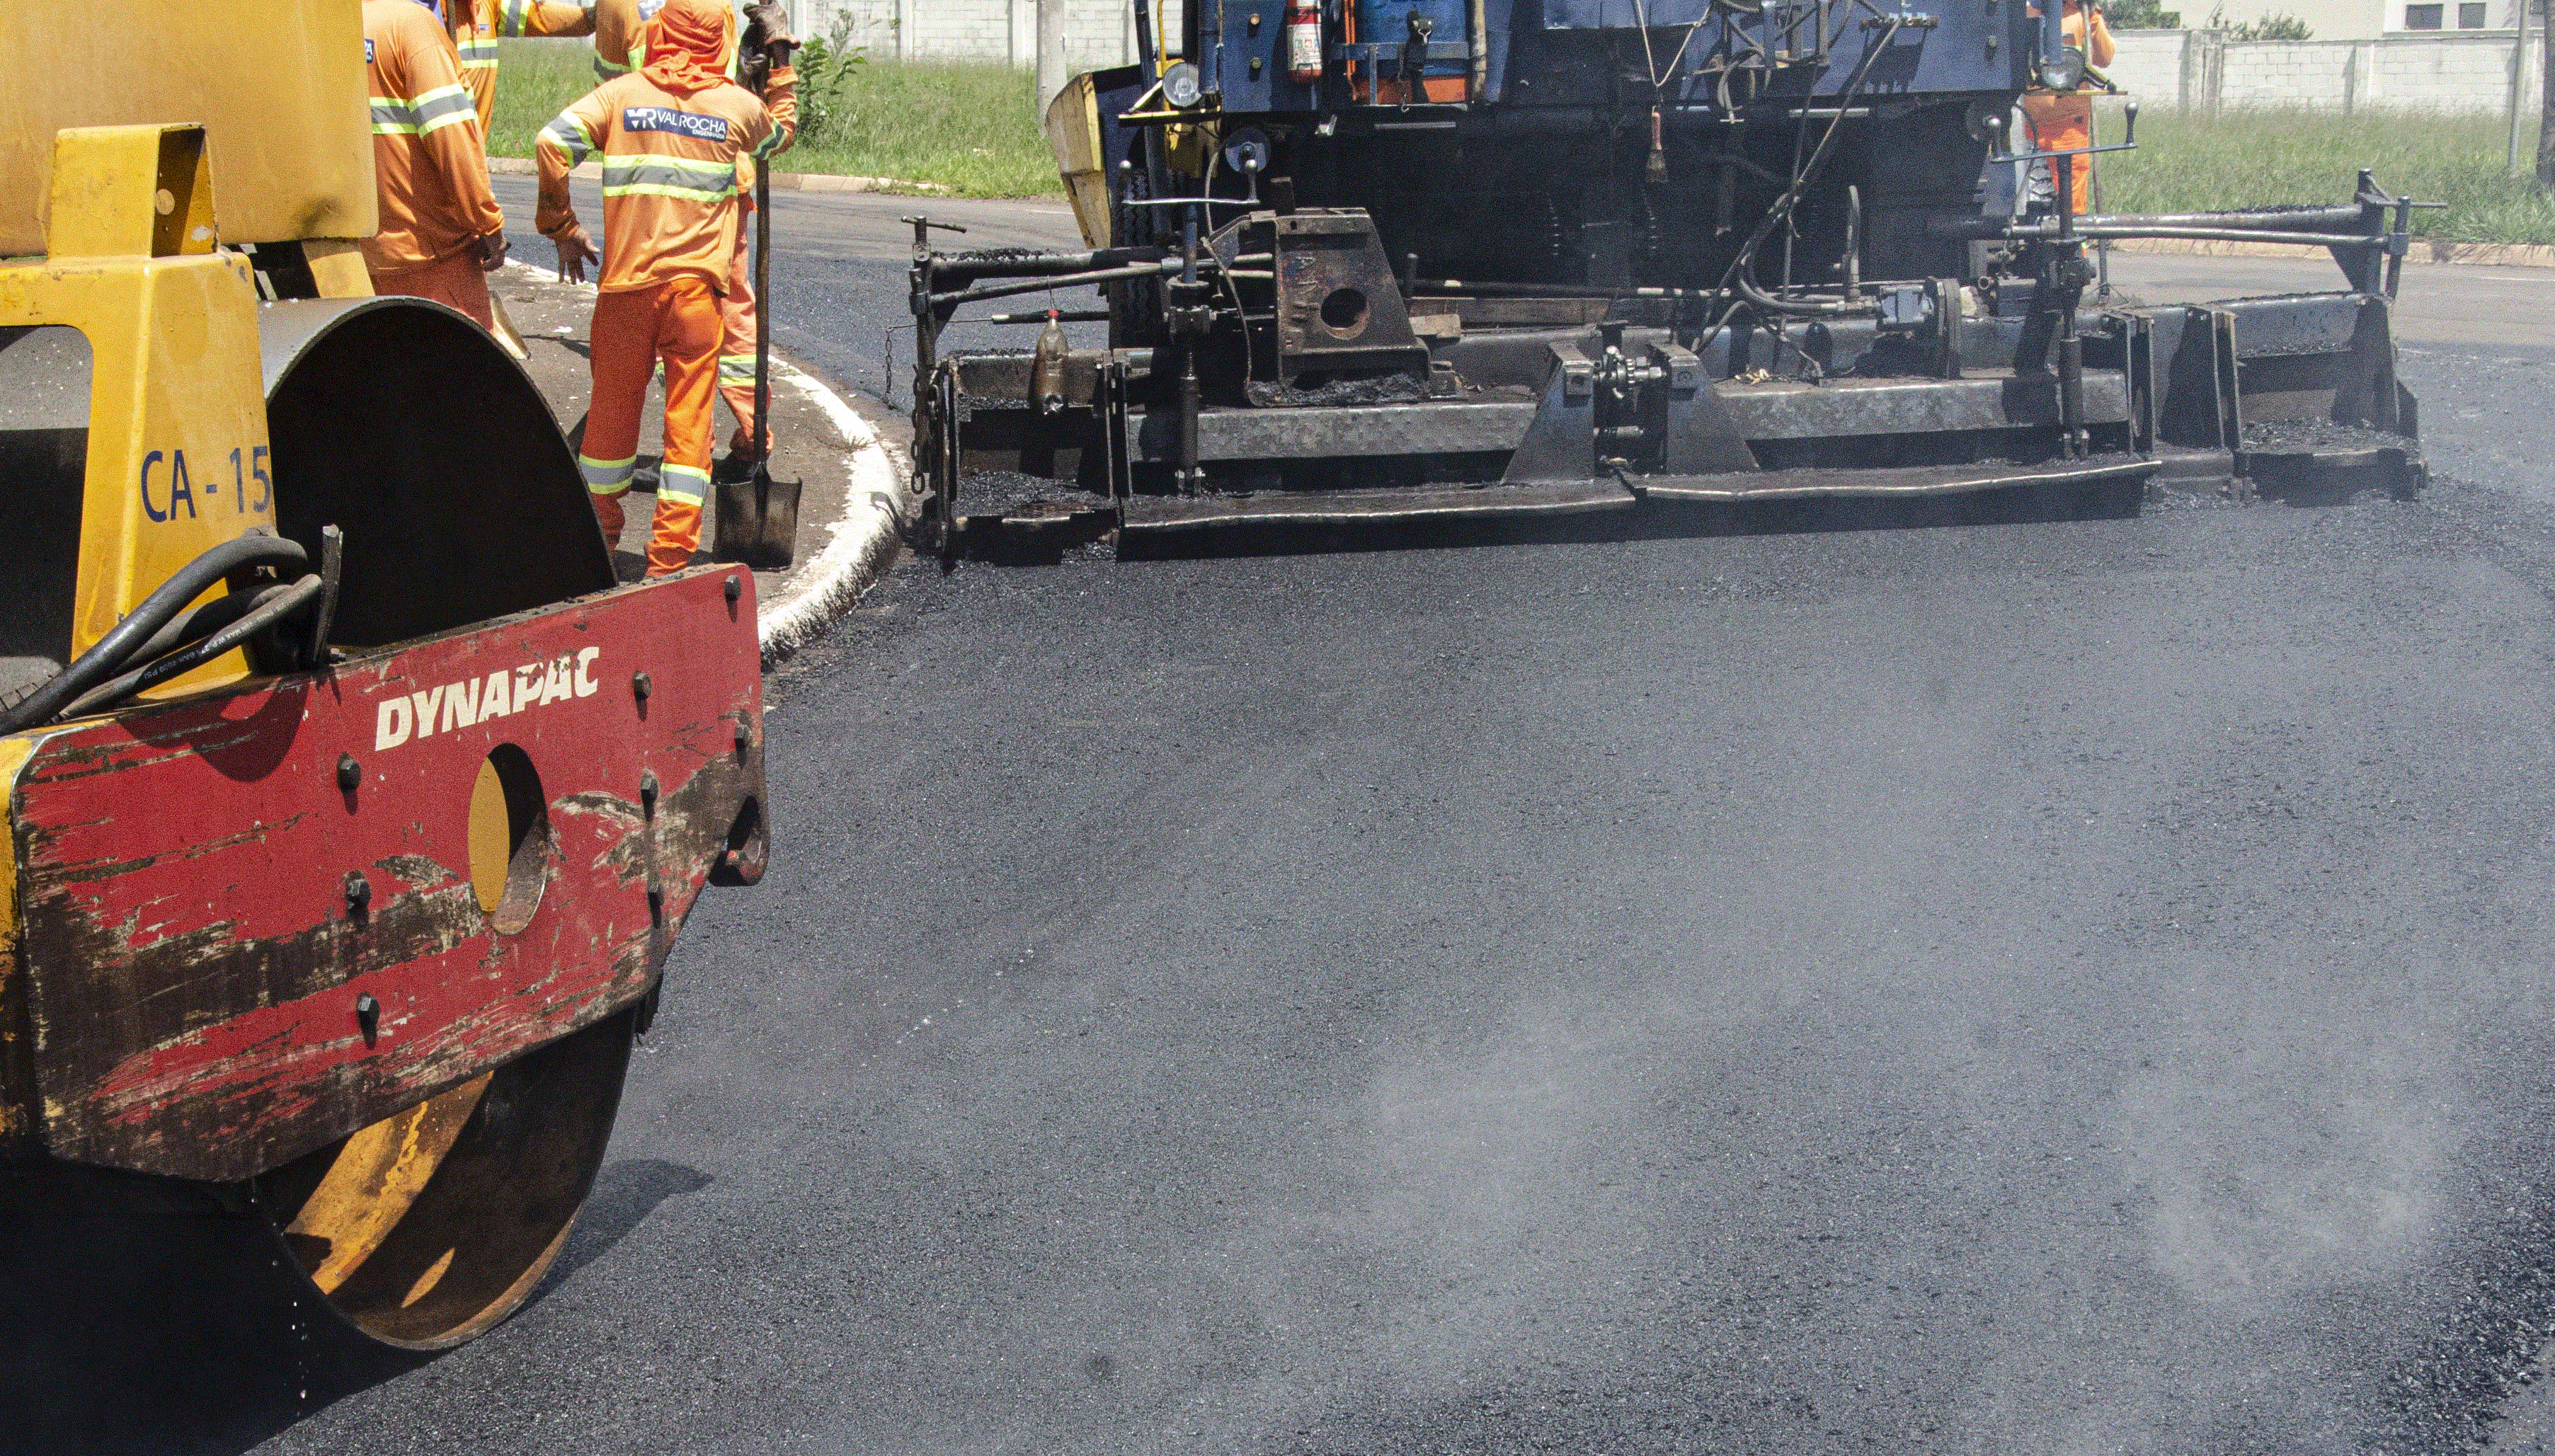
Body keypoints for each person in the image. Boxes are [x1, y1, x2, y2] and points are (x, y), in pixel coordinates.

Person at [535, 0, 794, 575]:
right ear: (722, 41)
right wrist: (777, 59)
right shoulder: (736, 108)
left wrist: (561, 226)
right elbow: (780, 135)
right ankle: (668, 561)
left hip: (625, 293)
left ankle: (599, 542)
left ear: (659, 34)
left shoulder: (620, 95)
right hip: (695, 301)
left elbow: (550, 143)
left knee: (609, 420)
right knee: (687, 430)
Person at [362, 0, 509, 331]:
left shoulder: (343, 25)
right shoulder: (413, 27)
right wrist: (486, 220)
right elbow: (450, 137)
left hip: (366, 253)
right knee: (463, 372)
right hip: (431, 251)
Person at [2020, 0, 2115, 217]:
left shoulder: (2082, 15)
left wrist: (2092, 16)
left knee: (2071, 207)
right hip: (2026, 129)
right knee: (2029, 203)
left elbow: (2105, 57)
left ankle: (2073, 250)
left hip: (2069, 129)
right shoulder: (2024, 16)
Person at [450, 0, 600, 137]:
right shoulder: (433, 14)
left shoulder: (485, 6)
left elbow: (537, 16)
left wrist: (590, 18)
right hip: (445, 151)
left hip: (473, 152)